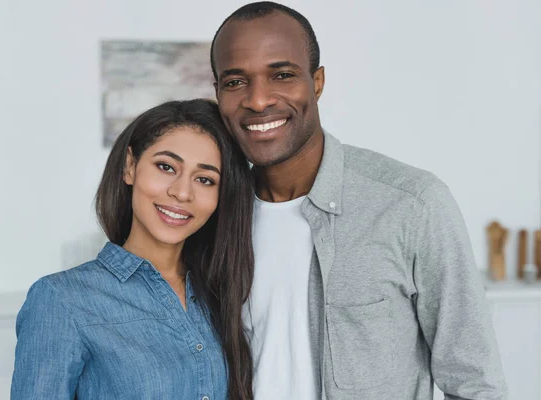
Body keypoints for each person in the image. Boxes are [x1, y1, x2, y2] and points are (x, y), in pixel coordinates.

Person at [210, 2, 508, 400]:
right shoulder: (212, 216)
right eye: (235, 82)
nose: (259, 100)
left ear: (317, 82)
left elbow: (476, 383)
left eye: (282, 75)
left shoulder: (411, 204)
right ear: (217, 94)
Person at [11, 100, 254, 400]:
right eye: (166, 167)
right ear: (130, 166)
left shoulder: (222, 293)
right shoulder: (60, 301)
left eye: (205, 179)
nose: (182, 192)